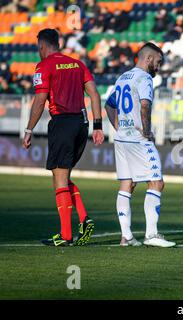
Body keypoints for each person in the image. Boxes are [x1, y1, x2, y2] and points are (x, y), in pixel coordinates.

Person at [22, 28, 104, 246]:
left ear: (42, 45)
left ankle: (65, 235)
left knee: (59, 179)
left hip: (62, 123)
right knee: (63, 176)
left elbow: (40, 100)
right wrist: (98, 126)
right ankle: (84, 219)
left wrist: (29, 129)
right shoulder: (77, 64)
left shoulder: (44, 65)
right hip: (81, 124)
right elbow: (94, 93)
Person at [104, 42, 175, 248]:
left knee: (127, 184)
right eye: (158, 62)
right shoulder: (144, 78)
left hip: (122, 138)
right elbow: (145, 105)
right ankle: (151, 234)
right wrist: (146, 130)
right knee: (156, 182)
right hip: (138, 138)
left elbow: (109, 105)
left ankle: (126, 236)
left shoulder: (123, 77)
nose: (158, 67)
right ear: (149, 58)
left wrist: (119, 126)